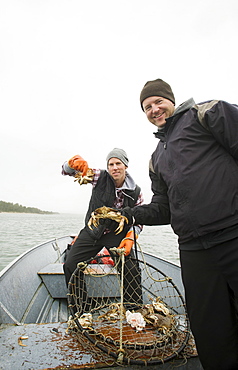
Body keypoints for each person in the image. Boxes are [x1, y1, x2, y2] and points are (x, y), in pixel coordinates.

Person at [123, 78, 238, 369]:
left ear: (171, 100)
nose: (154, 109)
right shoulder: (156, 158)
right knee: (210, 331)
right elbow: (164, 209)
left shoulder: (207, 114)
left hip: (234, 233)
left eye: (158, 102)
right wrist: (130, 215)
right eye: (147, 107)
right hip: (194, 250)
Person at [61, 148, 144, 309]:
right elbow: (68, 172)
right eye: (111, 164)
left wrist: (131, 236)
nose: (114, 167)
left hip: (117, 234)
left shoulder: (136, 192)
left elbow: (139, 219)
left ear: (125, 165)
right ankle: (81, 309)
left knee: (131, 268)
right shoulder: (100, 177)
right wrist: (71, 164)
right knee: (70, 264)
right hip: (93, 230)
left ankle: (133, 309)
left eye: (118, 163)